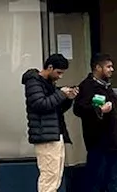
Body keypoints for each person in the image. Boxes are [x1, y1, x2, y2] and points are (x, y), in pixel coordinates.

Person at [24, 53, 78, 192]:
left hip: (54, 133)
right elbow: (40, 104)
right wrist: (61, 94)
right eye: (58, 72)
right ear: (49, 67)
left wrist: (68, 98)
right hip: (45, 136)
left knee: (55, 176)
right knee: (49, 176)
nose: (60, 76)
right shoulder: (34, 82)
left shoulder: (48, 84)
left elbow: (56, 109)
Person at [74, 53, 117, 192]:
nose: (112, 69)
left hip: (114, 143)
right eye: (108, 66)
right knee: (96, 180)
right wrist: (99, 110)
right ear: (98, 67)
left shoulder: (107, 87)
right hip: (98, 143)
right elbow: (79, 110)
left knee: (114, 182)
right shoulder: (87, 87)